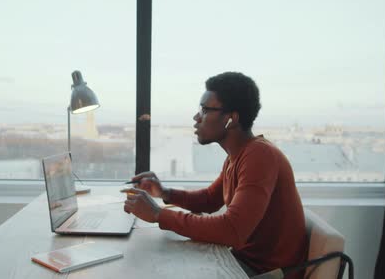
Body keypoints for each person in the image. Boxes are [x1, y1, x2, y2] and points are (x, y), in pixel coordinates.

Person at [122, 72, 308, 278]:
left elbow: (232, 230)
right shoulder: (237, 156)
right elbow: (210, 200)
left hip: (265, 273)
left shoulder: (260, 155)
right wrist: (164, 192)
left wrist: (158, 214)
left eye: (205, 109)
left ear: (231, 119)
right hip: (242, 263)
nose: (196, 117)